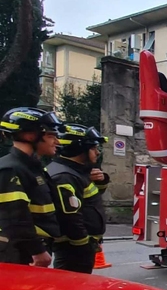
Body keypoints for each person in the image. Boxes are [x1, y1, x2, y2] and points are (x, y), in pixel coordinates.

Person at [0, 107, 64, 266]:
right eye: (51, 136)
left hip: (32, 249)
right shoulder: (10, 169)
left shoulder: (32, 168)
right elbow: (15, 216)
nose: (57, 142)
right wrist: (37, 251)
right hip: (19, 252)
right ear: (30, 135)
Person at [47, 124, 109, 273]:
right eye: (93, 148)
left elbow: (91, 200)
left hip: (78, 247)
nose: (97, 152)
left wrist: (101, 181)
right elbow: (70, 216)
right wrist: (83, 244)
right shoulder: (65, 176)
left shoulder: (77, 171)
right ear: (80, 149)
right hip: (74, 248)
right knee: (72, 288)